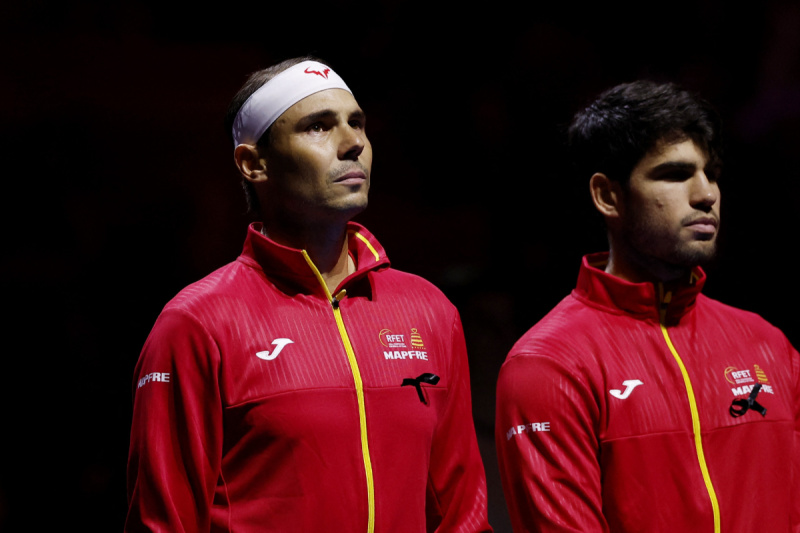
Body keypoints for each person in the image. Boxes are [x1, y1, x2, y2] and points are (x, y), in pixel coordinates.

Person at [126, 56, 492, 532]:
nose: (353, 143)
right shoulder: (197, 323)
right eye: (318, 127)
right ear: (254, 163)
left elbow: (462, 511)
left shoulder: (428, 310)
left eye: (356, 123)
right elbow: (162, 522)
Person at [495, 80, 800, 532]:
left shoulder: (767, 344)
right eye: (675, 175)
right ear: (608, 196)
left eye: (711, 173)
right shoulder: (548, 366)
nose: (706, 195)